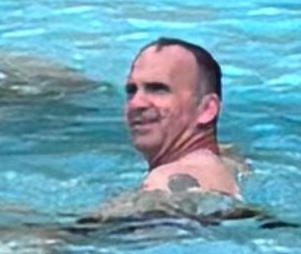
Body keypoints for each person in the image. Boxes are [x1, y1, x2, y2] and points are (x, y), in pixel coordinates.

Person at [98, 31, 248, 215]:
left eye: (158, 89)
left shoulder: (162, 183)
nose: (136, 103)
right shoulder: (229, 166)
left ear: (207, 109)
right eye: (131, 91)